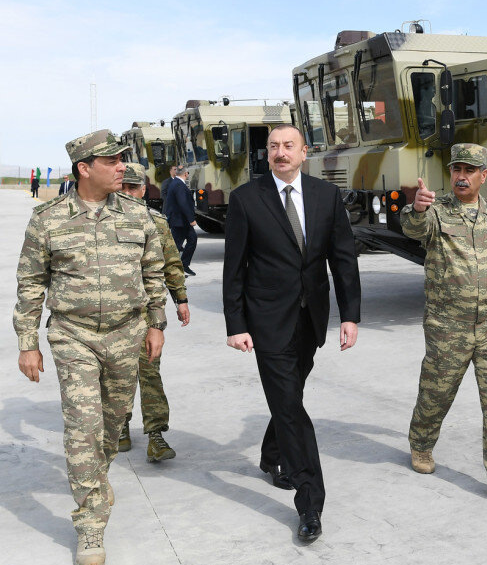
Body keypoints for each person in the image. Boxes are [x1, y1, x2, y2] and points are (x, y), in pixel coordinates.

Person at [13, 130, 167, 565]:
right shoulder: (48, 219)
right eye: (112, 160)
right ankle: (90, 523)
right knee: (82, 427)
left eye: (123, 160)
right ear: (85, 168)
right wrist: (28, 343)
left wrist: (156, 324)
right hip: (72, 335)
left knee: (110, 427)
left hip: (126, 334)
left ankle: (95, 479)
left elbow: (153, 272)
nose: (122, 167)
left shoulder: (138, 215)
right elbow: (30, 283)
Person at [222, 123, 360, 543]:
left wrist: (350, 315)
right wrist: (236, 324)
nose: (280, 153)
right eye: (273, 146)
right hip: (267, 321)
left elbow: (343, 258)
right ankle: (310, 500)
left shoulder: (325, 195)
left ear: (305, 152)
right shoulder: (247, 199)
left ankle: (270, 455)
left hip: (311, 319)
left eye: (288, 146)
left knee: (288, 397)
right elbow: (234, 269)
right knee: (291, 410)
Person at [400, 142, 487, 509]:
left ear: (482, 176)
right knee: (437, 393)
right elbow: (413, 229)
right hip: (448, 325)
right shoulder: (437, 212)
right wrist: (416, 208)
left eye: (469, 170)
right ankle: (421, 442)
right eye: (456, 169)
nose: (461, 176)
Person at [119, 163, 191, 462]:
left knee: (150, 372)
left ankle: (156, 436)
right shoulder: (101, 221)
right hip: (113, 316)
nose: (127, 193)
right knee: (118, 375)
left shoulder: (156, 222)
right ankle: (121, 426)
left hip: (148, 314)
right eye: (122, 187)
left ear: (143, 190)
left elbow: (172, 263)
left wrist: (181, 299)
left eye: (132, 187)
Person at [164, 164, 197, 276]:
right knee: (176, 246)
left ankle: (184, 265)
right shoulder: (178, 185)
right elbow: (183, 203)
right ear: (186, 173)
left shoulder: (177, 183)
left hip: (182, 221)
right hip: (179, 221)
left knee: (192, 240)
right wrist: (191, 219)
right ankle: (171, 270)